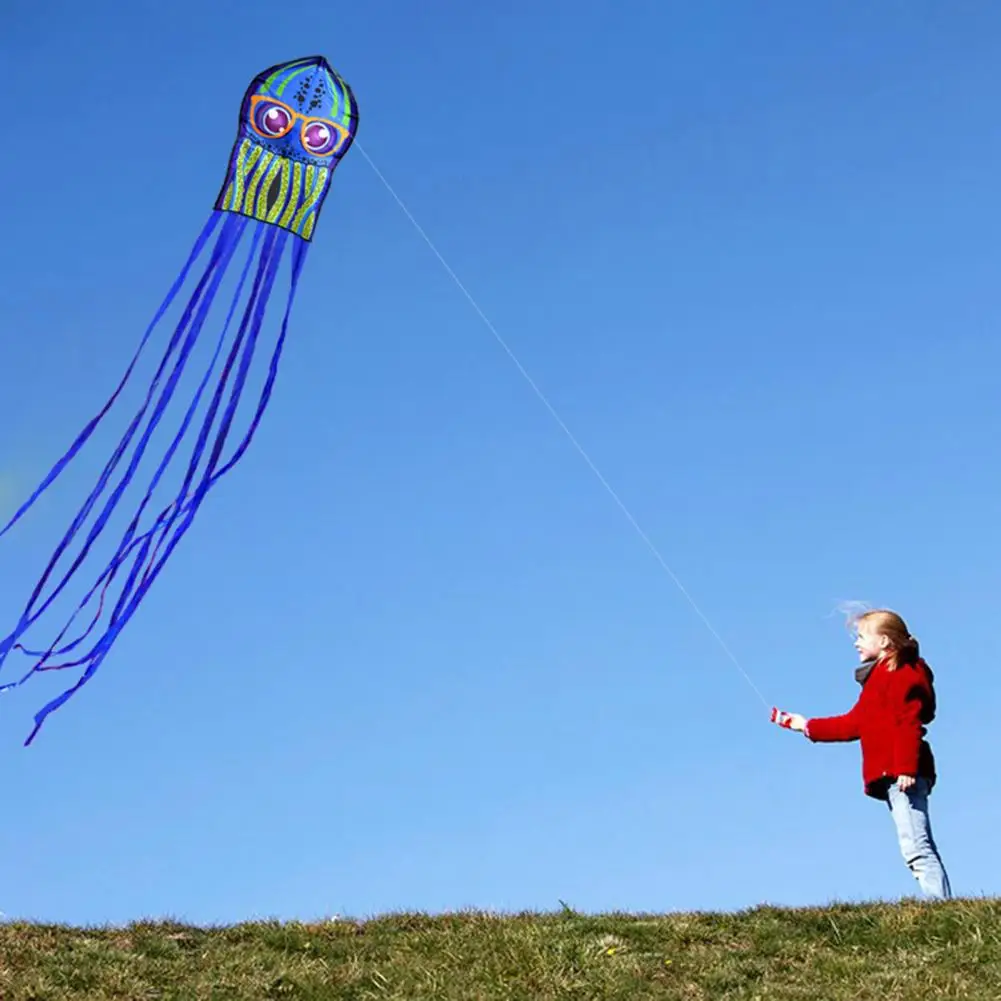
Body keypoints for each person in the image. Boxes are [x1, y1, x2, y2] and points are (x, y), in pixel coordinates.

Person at [774, 609, 951, 900]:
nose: (856, 643)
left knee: (917, 848)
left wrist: (906, 767)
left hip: (903, 774)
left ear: (883, 641)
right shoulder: (879, 679)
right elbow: (854, 723)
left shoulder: (901, 674)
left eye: (861, 636)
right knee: (914, 845)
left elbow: (909, 720)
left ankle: (941, 907)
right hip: (898, 775)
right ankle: (940, 904)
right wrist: (804, 725)